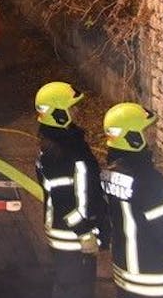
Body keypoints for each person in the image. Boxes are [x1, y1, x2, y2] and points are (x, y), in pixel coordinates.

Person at [100, 102, 163, 297]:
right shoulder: (149, 180)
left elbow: (131, 208)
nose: (150, 137)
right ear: (132, 138)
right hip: (154, 279)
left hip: (123, 274)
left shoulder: (107, 174)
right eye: (144, 132)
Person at [35, 81, 107, 298]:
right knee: (73, 290)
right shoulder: (59, 152)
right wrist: (84, 233)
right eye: (71, 107)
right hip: (70, 237)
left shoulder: (65, 142)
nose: (76, 111)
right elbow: (64, 199)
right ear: (58, 113)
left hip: (71, 234)